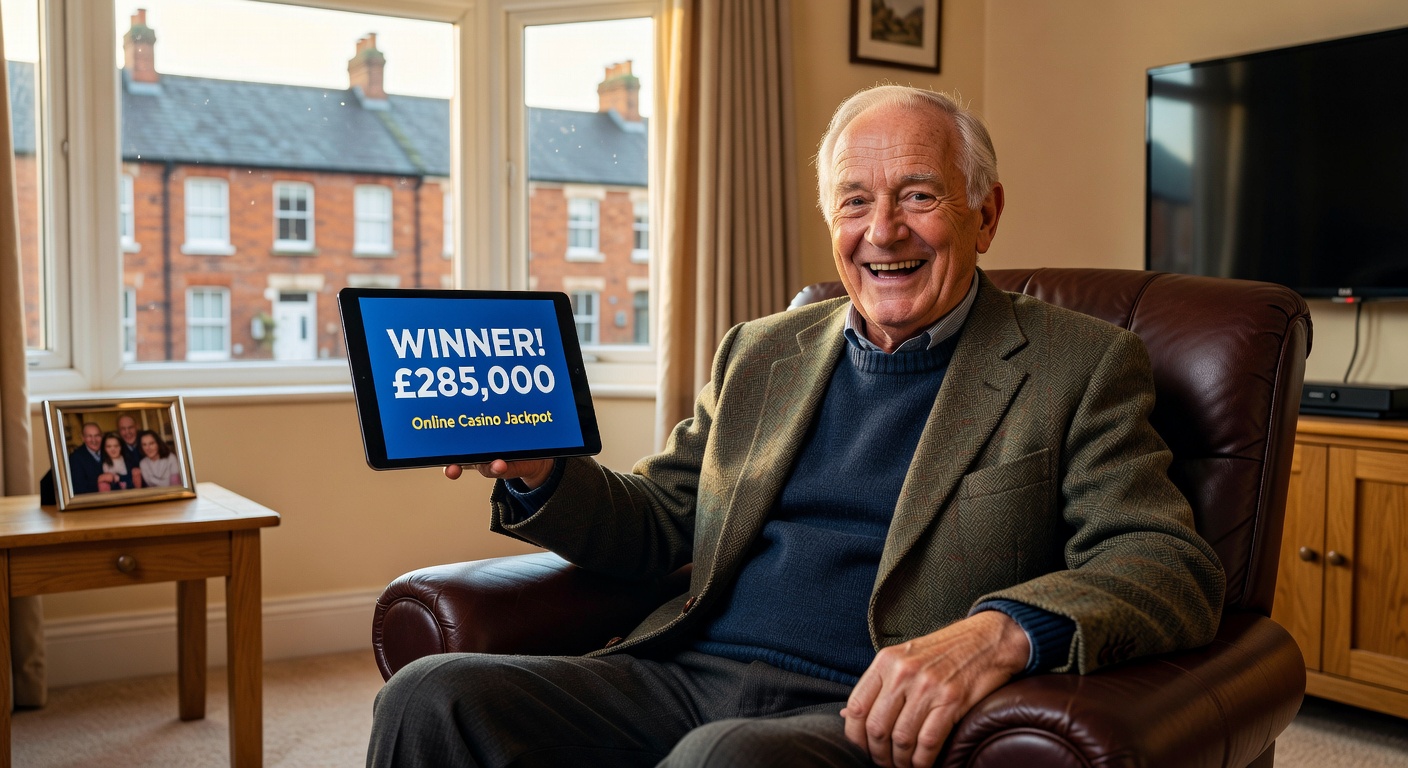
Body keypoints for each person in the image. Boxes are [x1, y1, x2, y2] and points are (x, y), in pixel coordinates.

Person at [368, 86, 1225, 768]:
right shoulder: (761, 351)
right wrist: (544, 471)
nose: (882, 231)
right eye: (855, 201)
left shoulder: (1082, 364)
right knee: (431, 695)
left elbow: (1164, 563)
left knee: (723, 759)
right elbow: (663, 519)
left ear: (986, 214)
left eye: (919, 195)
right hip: (681, 673)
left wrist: (1000, 631)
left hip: (858, 708)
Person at [67, 422, 106, 495]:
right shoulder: (75, 458)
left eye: (97, 435)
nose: (94, 440)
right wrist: (100, 480)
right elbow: (78, 488)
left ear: (102, 436)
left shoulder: (109, 450)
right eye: (89, 436)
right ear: (83, 438)